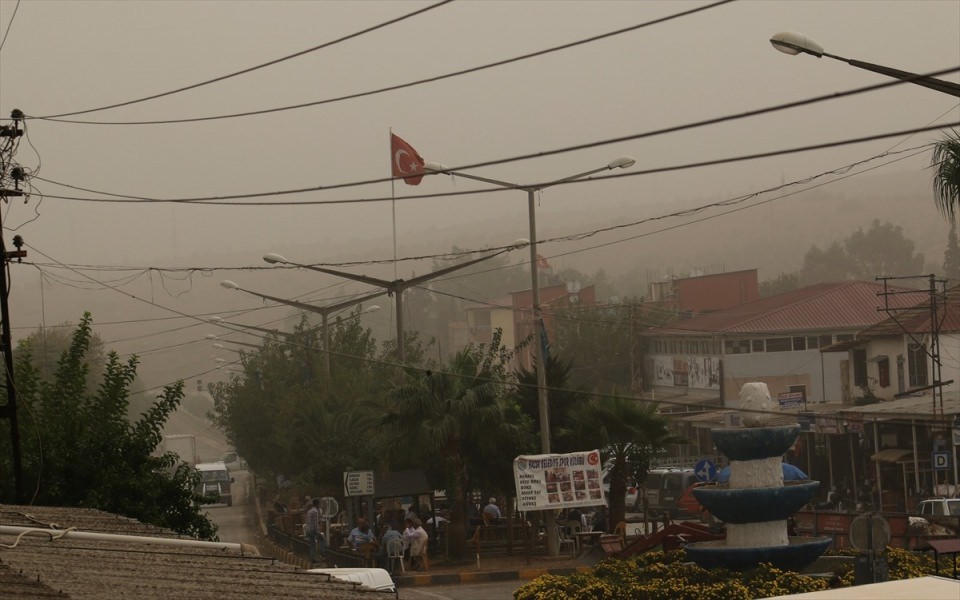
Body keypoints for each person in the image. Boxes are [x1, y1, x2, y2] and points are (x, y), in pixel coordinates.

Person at [304, 498, 321, 565]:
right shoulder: (315, 511)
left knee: (312, 543)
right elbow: (315, 522)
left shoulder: (309, 511)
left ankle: (312, 557)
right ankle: (321, 554)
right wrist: (318, 532)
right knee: (321, 539)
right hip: (312, 529)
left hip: (308, 529)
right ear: (317, 504)